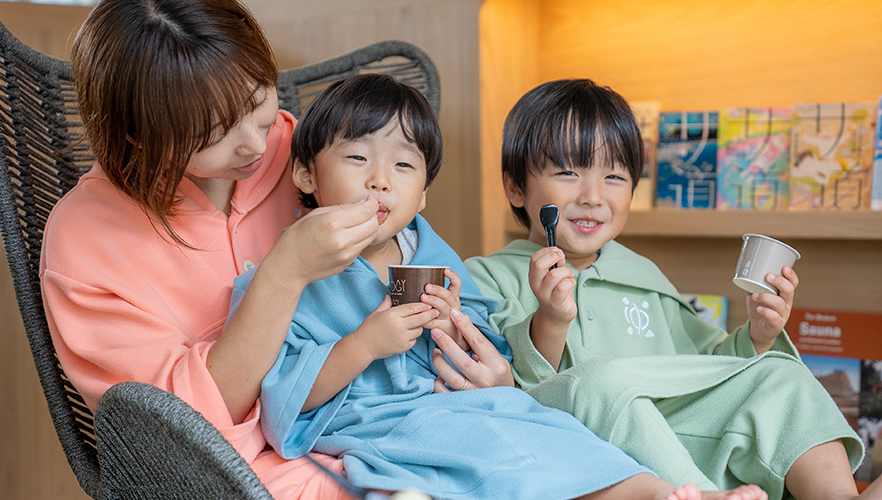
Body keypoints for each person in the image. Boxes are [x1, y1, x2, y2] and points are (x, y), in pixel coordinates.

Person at [236, 73, 768, 500]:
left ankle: (660, 492)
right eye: (357, 158)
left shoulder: (434, 259)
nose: (381, 180)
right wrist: (364, 345)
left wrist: (453, 328)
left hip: (465, 404)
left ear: (421, 197)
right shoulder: (284, 276)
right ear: (305, 174)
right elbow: (282, 400)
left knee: (552, 430)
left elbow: (484, 355)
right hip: (381, 422)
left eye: (403, 165)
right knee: (484, 452)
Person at [464, 79, 878, 500]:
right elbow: (512, 394)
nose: (592, 196)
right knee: (597, 381)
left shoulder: (641, 272)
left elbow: (705, 368)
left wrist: (759, 335)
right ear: (516, 186)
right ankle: (699, 496)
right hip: (584, 450)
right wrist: (550, 320)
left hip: (676, 433)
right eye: (568, 172)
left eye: (614, 176)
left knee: (781, 372)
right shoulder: (486, 277)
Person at [41, 0, 386, 498]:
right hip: (244, 479)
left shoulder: (306, 154)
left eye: (256, 101)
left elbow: (405, 251)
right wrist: (284, 273)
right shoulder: (87, 241)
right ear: (139, 134)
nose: (253, 144)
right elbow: (184, 443)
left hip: (379, 423)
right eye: (212, 133)